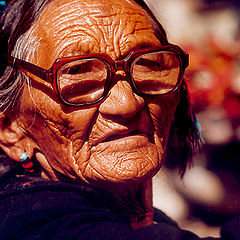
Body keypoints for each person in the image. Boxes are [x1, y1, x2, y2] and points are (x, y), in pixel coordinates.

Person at [0, 0, 239, 239]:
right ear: (10, 128)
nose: (127, 103)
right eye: (78, 71)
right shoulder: (40, 226)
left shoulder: (139, 219)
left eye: (146, 63)